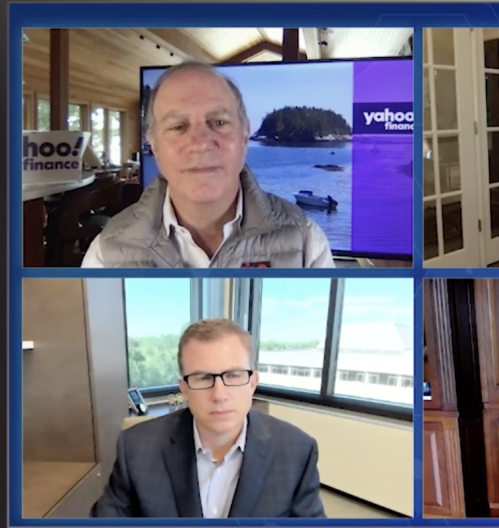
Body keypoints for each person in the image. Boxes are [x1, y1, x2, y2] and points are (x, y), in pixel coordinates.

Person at [82, 61, 335, 268]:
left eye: (218, 122)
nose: (200, 143)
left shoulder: (306, 242)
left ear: (245, 134)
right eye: (178, 127)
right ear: (154, 143)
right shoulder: (107, 253)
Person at [91, 319, 326, 518]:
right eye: (203, 378)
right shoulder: (136, 448)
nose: (219, 395)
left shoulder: (297, 451)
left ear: (253, 383)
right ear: (184, 389)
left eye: (233, 375)